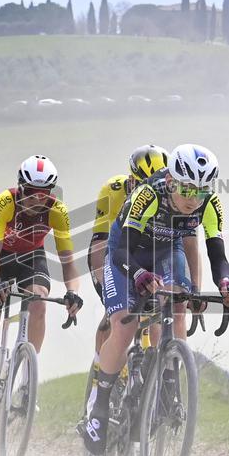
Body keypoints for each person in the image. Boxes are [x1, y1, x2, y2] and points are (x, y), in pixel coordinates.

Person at [80, 144, 229, 455]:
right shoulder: (148, 195)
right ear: (171, 181)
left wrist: (223, 282)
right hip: (126, 252)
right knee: (124, 325)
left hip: (167, 251)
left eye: (201, 190)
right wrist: (139, 274)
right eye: (186, 189)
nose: (192, 198)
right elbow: (121, 249)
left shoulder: (209, 204)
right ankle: (99, 407)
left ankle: (169, 376)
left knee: (178, 302)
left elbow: (216, 252)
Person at [0, 155, 82, 428]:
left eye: (43, 195)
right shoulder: (5, 201)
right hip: (0, 259)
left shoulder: (57, 211)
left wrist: (73, 293)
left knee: (39, 301)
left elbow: (69, 263)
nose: (35, 201)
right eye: (30, 194)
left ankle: (27, 382)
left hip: (31, 258)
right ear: (20, 188)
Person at [87, 145, 168, 361]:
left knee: (157, 315)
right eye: (141, 184)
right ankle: (98, 374)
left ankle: (156, 368)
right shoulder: (112, 190)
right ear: (131, 180)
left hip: (145, 254)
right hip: (111, 251)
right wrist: (104, 282)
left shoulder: (165, 196)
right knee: (114, 315)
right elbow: (100, 242)